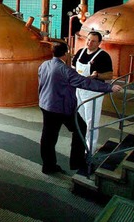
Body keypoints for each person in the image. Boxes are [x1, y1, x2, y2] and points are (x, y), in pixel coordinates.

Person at [39, 42, 122, 175]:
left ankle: (48, 166)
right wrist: (109, 87)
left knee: (48, 137)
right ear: (66, 54)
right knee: (80, 128)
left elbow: (50, 83)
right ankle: (77, 161)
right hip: (62, 108)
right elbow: (84, 83)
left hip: (46, 105)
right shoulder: (66, 70)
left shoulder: (44, 65)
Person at [72, 31, 114, 153]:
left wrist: (97, 75)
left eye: (93, 41)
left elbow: (110, 75)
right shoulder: (80, 52)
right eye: (88, 39)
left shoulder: (103, 56)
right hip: (79, 90)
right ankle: (82, 143)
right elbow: (74, 67)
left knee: (92, 121)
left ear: (99, 43)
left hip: (93, 92)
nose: (89, 43)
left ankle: (90, 149)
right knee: (81, 118)